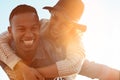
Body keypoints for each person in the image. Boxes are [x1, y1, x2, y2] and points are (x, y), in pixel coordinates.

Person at [0, 0, 119, 80]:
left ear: (73, 27)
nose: (56, 27)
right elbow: (2, 39)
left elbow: (74, 65)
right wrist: (20, 67)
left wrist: (31, 74)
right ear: (51, 13)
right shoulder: (40, 24)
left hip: (64, 60)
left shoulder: (74, 40)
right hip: (39, 58)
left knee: (100, 70)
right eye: (55, 18)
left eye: (65, 24)